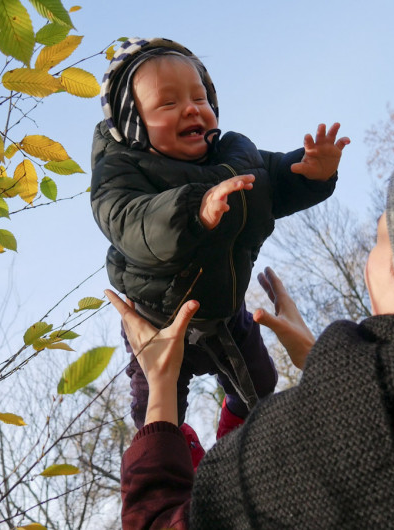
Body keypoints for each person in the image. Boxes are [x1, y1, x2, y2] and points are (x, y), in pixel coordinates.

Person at [108, 129, 394, 528]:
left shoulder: (315, 465)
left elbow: (160, 520)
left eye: (382, 241)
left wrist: (161, 385)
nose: (370, 257)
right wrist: (322, 362)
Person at [90, 37, 350, 446]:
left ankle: (235, 433)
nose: (192, 108)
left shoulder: (235, 155)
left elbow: (270, 180)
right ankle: (181, 456)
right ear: (134, 122)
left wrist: (310, 175)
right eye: (168, 102)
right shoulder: (124, 169)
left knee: (262, 384)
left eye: (200, 97)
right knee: (156, 416)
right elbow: (127, 221)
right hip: (159, 321)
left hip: (226, 312)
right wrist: (193, 210)